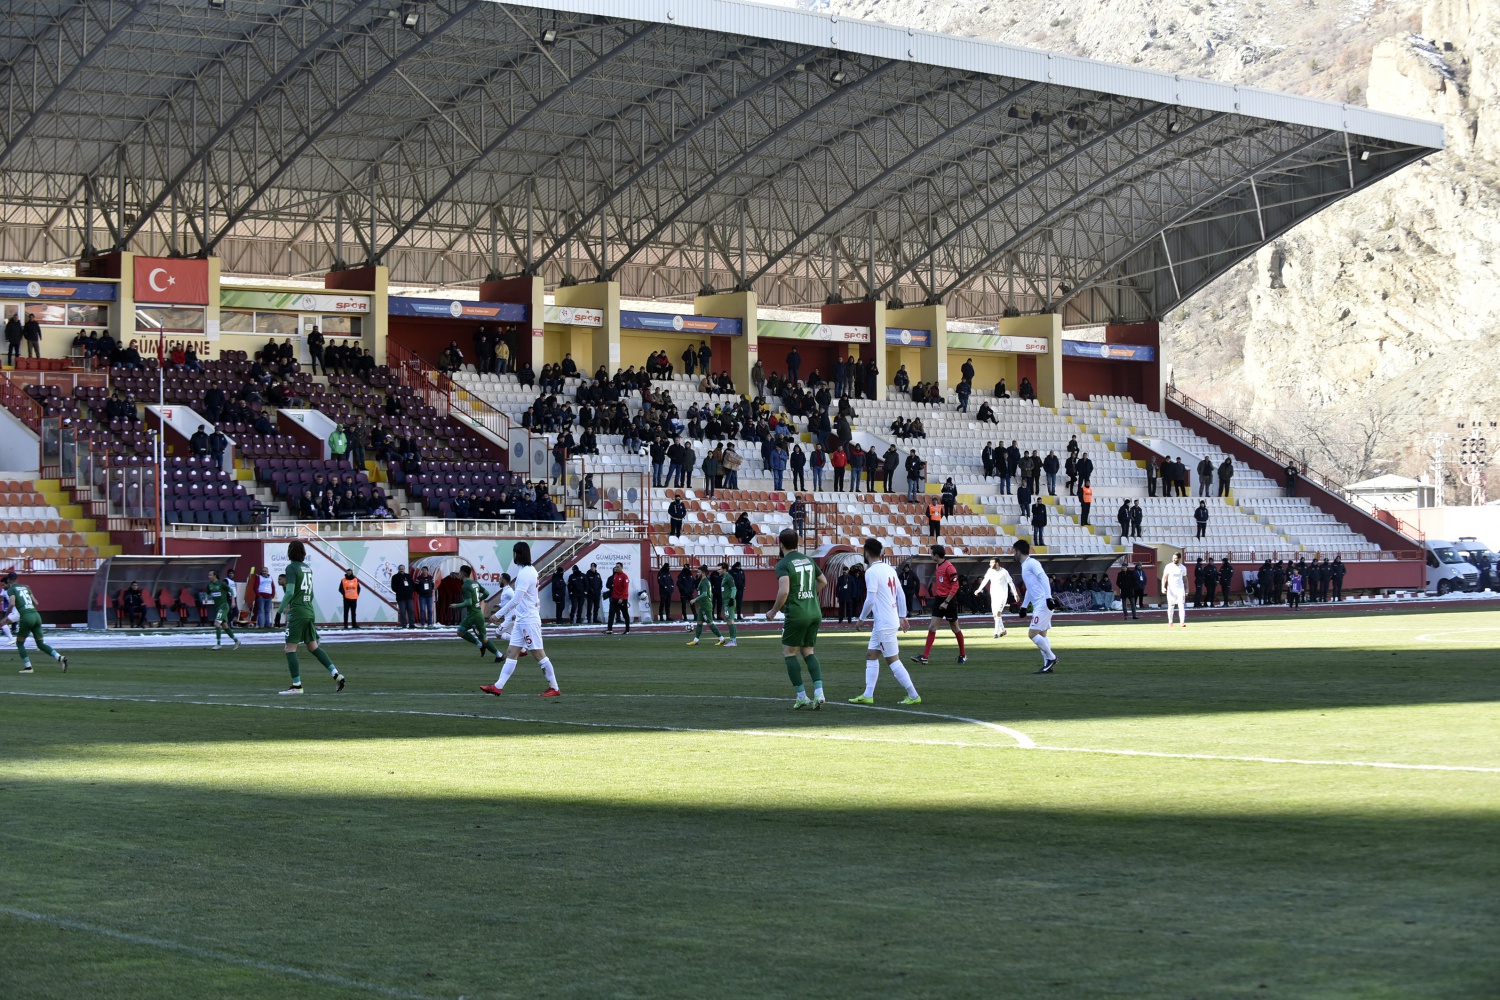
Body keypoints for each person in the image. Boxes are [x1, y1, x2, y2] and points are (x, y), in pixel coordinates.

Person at [480, 542, 561, 697]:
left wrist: (498, 614)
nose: (513, 556)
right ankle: (498, 686)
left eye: (514, 553)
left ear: (517, 554)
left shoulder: (525, 574)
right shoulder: (528, 571)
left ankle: (554, 687)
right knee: (512, 652)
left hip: (528, 620)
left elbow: (516, 599)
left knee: (538, 654)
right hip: (522, 618)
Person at [846, 537, 920, 705]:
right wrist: (902, 615)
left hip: (884, 623)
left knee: (893, 660)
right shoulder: (889, 569)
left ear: (866, 553)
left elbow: (870, 599)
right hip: (885, 621)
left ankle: (913, 695)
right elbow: (900, 594)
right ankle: (868, 694)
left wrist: (861, 619)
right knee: (871, 655)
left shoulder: (871, 572)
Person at [276, 541, 346, 694]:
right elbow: (311, 593)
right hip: (309, 610)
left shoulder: (291, 568)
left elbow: (289, 592)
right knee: (313, 647)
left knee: (289, 648)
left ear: (290, 552)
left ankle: (297, 685)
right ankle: (336, 674)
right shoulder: (307, 568)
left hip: (298, 612)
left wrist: (279, 611)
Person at [769, 527, 826, 708]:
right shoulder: (808, 559)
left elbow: (784, 591)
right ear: (797, 543)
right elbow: (823, 581)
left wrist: (773, 611)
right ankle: (819, 692)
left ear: (781, 544)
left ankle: (801, 696)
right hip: (814, 611)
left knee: (789, 653)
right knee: (808, 651)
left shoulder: (783, 564)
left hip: (797, 613)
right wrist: (810, 594)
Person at [7, 572, 68, 673]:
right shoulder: (25, 587)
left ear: (8, 580)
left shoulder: (11, 589)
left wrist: (6, 615)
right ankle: (59, 657)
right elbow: (36, 602)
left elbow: (12, 603)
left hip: (26, 617)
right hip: (36, 615)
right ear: (17, 579)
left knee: (19, 643)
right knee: (40, 644)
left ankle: (28, 667)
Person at [916, 544, 965, 665]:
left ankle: (962, 655)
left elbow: (955, 586)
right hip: (939, 600)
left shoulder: (949, 567)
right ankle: (925, 657)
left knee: (955, 628)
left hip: (949, 601)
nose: (930, 555)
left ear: (936, 555)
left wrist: (946, 601)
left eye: (931, 553)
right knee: (932, 627)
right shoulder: (938, 566)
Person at [1013, 539, 1056, 673]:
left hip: (1043, 603)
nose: (1013, 554)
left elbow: (1044, 578)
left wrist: (1048, 597)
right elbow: (1030, 589)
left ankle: (1051, 658)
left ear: (1018, 552)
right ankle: (1047, 664)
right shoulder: (1025, 565)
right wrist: (1024, 606)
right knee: (1042, 634)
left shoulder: (1032, 563)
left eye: (1013, 551)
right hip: (1040, 603)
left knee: (1032, 634)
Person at [454, 565, 504, 659]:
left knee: (484, 639)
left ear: (463, 573)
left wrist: (456, 605)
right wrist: (478, 600)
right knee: (460, 631)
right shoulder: (475, 583)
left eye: (460, 572)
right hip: (471, 615)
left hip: (475, 616)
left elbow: (468, 602)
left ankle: (499, 655)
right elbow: (486, 593)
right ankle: (480, 645)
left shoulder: (465, 586)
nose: (459, 574)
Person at [975, 556, 1018, 638]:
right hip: (994, 594)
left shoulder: (1004, 572)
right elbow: (985, 580)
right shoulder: (990, 571)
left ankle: (995, 633)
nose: (990, 564)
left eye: (992, 563)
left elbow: (1011, 583)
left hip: (1002, 595)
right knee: (995, 615)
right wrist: (979, 590)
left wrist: (1015, 594)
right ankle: (1003, 630)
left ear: (997, 564)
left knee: (998, 613)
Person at [686, 564, 725, 646]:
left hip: (706, 606)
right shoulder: (704, 581)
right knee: (699, 622)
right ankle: (696, 640)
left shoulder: (704, 582)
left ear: (703, 573)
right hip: (702, 605)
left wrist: (695, 599)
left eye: (698, 572)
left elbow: (704, 594)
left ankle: (721, 638)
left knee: (710, 623)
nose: (697, 573)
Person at [204, 570, 241, 649]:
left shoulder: (222, 584)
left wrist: (233, 602)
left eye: (210, 575)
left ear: (215, 576)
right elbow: (207, 592)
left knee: (216, 623)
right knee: (224, 626)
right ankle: (236, 640)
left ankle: (218, 644)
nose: (209, 576)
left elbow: (231, 590)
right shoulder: (210, 585)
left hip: (223, 606)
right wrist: (206, 598)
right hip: (217, 607)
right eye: (208, 575)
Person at [1162, 551, 1188, 628]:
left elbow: (1185, 579)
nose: (1174, 559)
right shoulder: (1168, 566)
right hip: (1171, 589)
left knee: (1181, 605)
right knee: (1171, 606)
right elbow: (1164, 577)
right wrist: (1163, 587)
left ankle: (1182, 622)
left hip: (1180, 589)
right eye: (1173, 558)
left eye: (1175, 558)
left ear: (1179, 558)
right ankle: (1170, 622)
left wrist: (1187, 589)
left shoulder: (1183, 568)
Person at [717, 561, 739, 647]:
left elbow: (734, 588)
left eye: (719, 569)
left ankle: (733, 640)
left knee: (730, 620)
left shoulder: (728, 577)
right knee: (729, 620)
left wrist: (732, 599)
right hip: (726, 601)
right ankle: (733, 640)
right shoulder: (724, 577)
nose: (718, 571)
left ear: (724, 569)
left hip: (729, 601)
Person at [606, 562, 632, 634]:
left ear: (621, 567)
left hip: (622, 599)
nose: (616, 568)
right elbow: (614, 587)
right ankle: (609, 629)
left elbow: (625, 588)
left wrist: (622, 598)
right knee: (611, 613)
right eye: (616, 567)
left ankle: (627, 630)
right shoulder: (615, 576)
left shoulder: (624, 576)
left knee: (625, 614)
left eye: (618, 567)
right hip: (614, 598)